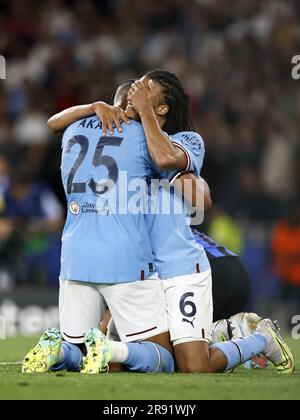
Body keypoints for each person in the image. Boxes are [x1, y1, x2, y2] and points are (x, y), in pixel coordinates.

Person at [44, 71, 294, 375]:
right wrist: (94, 108)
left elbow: (201, 198)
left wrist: (183, 176)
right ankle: (216, 332)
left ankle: (259, 340)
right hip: (136, 268)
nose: (138, 88)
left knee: (193, 367)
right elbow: (56, 124)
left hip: (178, 268)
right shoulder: (123, 145)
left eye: (146, 87)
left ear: (161, 108)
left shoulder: (183, 142)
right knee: (117, 365)